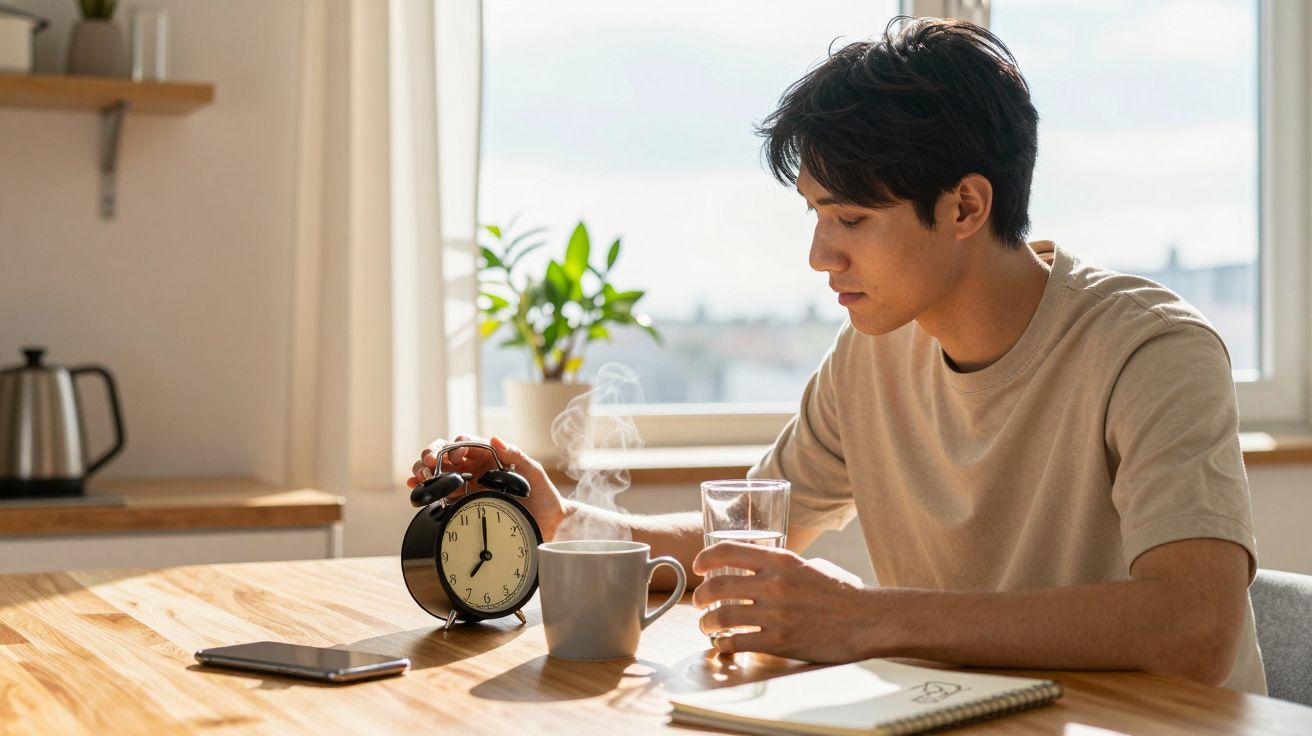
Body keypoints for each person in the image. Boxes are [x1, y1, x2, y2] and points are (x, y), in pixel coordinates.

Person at [409, 16, 1265, 694]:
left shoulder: (1152, 351)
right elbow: (733, 545)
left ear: (966, 207)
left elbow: (1193, 627)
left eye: (851, 218)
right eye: (815, 214)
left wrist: (868, 619)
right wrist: (563, 524)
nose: (821, 256)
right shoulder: (871, 356)